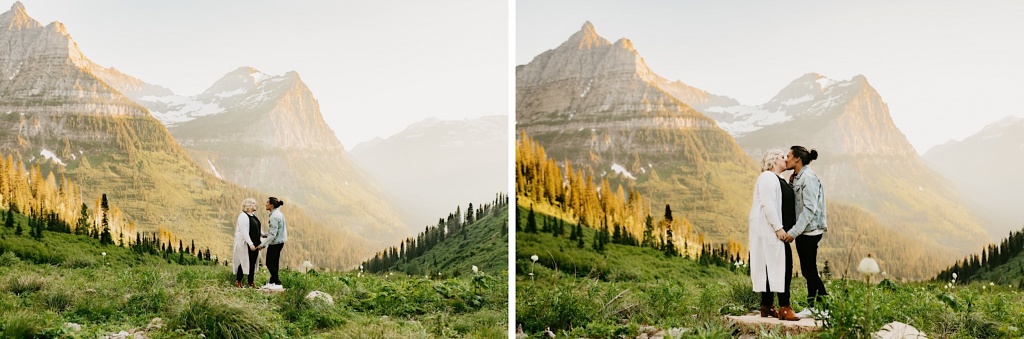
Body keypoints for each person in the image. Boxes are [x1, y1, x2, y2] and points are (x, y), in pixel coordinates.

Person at [748, 149, 799, 321]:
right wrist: (778, 228)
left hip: (775, 228)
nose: (786, 159)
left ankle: (767, 305)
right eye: (783, 157)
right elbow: (768, 204)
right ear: (774, 160)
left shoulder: (778, 179)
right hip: (770, 229)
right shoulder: (767, 177)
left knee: (771, 264)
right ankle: (784, 307)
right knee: (784, 264)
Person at [785, 146, 828, 318]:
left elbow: (809, 209)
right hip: (805, 230)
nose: (786, 159)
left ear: (797, 159)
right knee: (808, 270)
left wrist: (793, 232)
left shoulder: (808, 178)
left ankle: (824, 306)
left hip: (810, 230)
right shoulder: (797, 177)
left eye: (788, 156)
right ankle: (814, 306)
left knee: (809, 270)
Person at [257, 197, 287, 290]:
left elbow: (273, 234)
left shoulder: (274, 216)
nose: (265, 204)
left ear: (271, 205)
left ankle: (277, 282)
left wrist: (262, 245)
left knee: (269, 263)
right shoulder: (279, 214)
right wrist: (268, 234)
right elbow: (277, 230)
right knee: (275, 263)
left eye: (267, 202)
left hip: (275, 243)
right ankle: (272, 281)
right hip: (280, 241)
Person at [232, 198, 260, 288]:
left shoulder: (253, 216)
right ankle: (238, 281)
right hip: (246, 242)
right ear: (248, 205)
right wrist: (250, 244)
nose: (255, 205)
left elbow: (256, 228)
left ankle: (250, 282)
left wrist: (263, 234)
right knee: (244, 261)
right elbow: (244, 232)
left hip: (254, 242)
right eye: (253, 203)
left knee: (252, 262)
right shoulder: (243, 216)